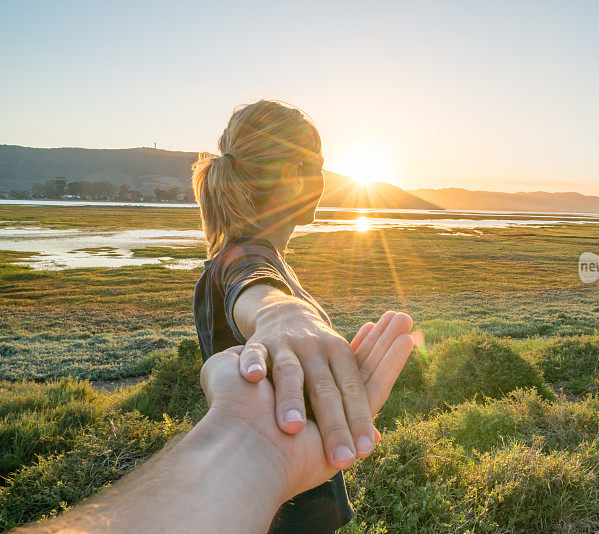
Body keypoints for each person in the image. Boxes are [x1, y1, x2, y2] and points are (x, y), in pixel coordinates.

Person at [190, 99, 412, 532]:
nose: (325, 181)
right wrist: (284, 313)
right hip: (280, 508)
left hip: (275, 487)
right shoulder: (244, 257)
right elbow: (253, 290)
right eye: (319, 167)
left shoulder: (252, 253)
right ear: (295, 176)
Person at [16, 318, 414, 533]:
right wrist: (285, 312)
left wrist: (249, 443)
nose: (316, 177)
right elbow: (253, 272)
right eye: (304, 162)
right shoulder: (244, 250)